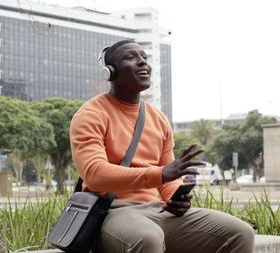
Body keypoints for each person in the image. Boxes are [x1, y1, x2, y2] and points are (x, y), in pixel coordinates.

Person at [70, 40, 255, 253]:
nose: (142, 63)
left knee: (240, 232)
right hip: (112, 213)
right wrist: (161, 174)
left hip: (158, 211)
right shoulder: (91, 114)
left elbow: (167, 180)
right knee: (147, 238)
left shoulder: (158, 118)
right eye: (130, 58)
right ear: (110, 72)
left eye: (144, 58)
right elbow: (95, 174)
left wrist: (176, 196)